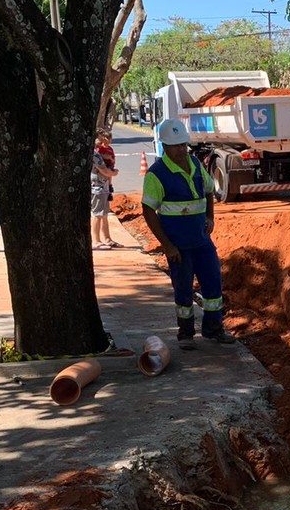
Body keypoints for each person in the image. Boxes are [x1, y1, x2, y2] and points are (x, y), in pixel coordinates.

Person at [141, 118, 236, 347]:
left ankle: (214, 329)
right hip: (179, 246)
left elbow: (208, 190)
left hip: (202, 242)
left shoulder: (194, 163)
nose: (182, 149)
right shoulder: (156, 174)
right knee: (183, 290)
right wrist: (167, 245)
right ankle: (185, 334)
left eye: (184, 144)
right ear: (165, 146)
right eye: (177, 146)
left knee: (213, 284)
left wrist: (210, 217)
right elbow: (148, 210)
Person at [91, 132, 120, 249]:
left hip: (103, 187)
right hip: (97, 187)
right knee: (97, 214)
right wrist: (113, 173)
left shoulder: (99, 153)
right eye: (101, 137)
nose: (104, 140)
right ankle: (96, 241)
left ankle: (107, 239)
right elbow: (104, 170)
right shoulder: (95, 155)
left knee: (104, 214)